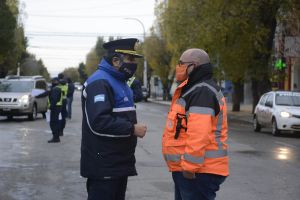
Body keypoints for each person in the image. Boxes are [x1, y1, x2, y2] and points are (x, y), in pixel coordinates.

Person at [80, 38, 147, 200]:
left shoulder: (120, 82)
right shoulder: (100, 82)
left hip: (118, 163)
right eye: (130, 59)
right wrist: (132, 129)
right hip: (104, 166)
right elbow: (99, 122)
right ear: (116, 61)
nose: (133, 63)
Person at [162, 48, 229, 200]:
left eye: (181, 63)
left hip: (198, 172)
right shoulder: (194, 89)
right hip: (192, 171)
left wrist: (190, 168)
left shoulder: (202, 91)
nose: (178, 67)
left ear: (194, 65)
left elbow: (199, 134)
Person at [48, 77, 63, 143]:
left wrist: (51, 107)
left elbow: (54, 99)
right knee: (54, 122)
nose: (52, 82)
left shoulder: (56, 89)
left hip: (55, 107)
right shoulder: (56, 88)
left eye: (53, 81)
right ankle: (56, 137)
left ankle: (56, 138)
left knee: (53, 123)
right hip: (57, 107)